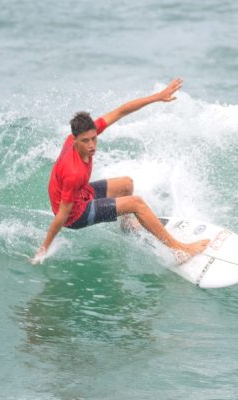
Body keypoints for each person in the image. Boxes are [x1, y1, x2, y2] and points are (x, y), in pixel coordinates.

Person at [30, 78, 209, 265]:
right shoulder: (73, 172)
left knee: (126, 184)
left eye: (94, 138)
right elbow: (61, 216)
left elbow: (121, 111)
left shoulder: (81, 137)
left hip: (81, 193)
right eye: (85, 141)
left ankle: (127, 226)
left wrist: (157, 97)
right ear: (74, 140)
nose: (92, 145)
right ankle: (179, 250)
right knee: (136, 203)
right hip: (75, 215)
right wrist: (43, 250)